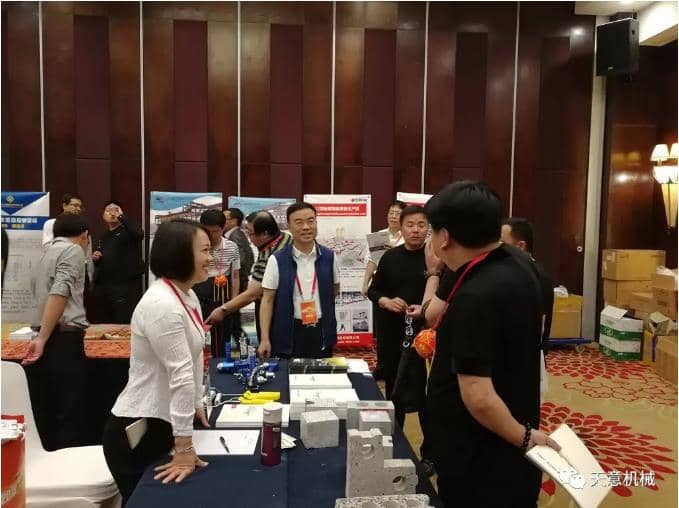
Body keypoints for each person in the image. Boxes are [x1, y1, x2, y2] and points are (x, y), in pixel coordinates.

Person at [422, 181, 559, 507]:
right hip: (514, 418)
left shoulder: (476, 295)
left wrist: (524, 438)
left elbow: (479, 396)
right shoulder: (519, 261)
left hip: (480, 450)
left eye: (431, 231)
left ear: (444, 237)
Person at [102, 220, 211, 505]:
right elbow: (181, 375)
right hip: (139, 430)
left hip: (165, 423)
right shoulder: (162, 304)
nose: (210, 258)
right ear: (180, 253)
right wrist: (184, 448)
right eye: (204, 250)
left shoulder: (187, 295)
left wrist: (196, 403)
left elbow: (195, 356)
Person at [366, 205, 433, 472]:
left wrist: (426, 310)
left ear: (428, 228)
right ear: (400, 228)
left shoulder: (436, 258)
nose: (416, 230)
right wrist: (385, 300)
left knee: (428, 397)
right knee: (395, 391)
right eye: (410, 225)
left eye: (421, 225)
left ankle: (430, 455)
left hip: (428, 336)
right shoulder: (390, 257)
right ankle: (394, 446)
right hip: (395, 336)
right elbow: (374, 290)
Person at [23, 213, 90, 450]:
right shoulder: (74, 250)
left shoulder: (44, 253)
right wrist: (43, 338)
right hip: (63, 336)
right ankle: (69, 459)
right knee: (69, 408)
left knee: (49, 407)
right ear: (84, 236)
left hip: (46, 333)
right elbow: (60, 292)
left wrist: (41, 335)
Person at [258, 202, 340, 358]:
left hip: (321, 329)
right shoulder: (277, 260)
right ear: (289, 226)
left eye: (310, 221)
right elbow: (267, 300)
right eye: (299, 222)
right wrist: (264, 338)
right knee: (288, 372)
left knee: (321, 371)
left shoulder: (329, 257)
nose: (306, 227)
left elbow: (334, 289)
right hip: (289, 330)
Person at [206, 211, 292, 340]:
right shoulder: (286, 238)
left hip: (277, 309)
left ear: (265, 234)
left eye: (250, 233)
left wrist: (223, 309)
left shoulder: (270, 256)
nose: (249, 237)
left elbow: (253, 293)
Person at [362, 200, 406, 381]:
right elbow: (372, 261)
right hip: (381, 287)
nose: (393, 216)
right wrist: (365, 283)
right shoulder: (379, 236)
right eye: (391, 213)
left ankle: (402, 367)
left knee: (402, 329)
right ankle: (382, 366)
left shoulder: (408, 236)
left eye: (397, 213)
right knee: (382, 329)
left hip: (402, 286)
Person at [501, 217, 554, 352]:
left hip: (527, 354)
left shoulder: (537, 276)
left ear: (520, 246)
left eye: (502, 244)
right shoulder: (512, 271)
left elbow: (538, 327)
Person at [195, 209, 240, 358]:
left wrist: (233, 303)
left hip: (222, 292)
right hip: (199, 292)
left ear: (223, 228)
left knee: (222, 335)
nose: (212, 236)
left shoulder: (232, 247)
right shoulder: (195, 246)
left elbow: (235, 276)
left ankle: (220, 363)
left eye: (216, 231)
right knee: (197, 333)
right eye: (207, 231)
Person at [92, 200, 145, 324]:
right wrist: (97, 257)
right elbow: (104, 258)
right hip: (108, 287)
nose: (112, 213)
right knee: (109, 322)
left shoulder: (128, 231)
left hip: (126, 287)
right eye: (108, 210)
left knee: (124, 322)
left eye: (115, 210)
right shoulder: (103, 236)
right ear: (103, 215)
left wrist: (121, 217)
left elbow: (139, 234)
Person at [42, 192, 94, 290]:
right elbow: (47, 247)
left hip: (80, 270)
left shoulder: (83, 226)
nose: (78, 209)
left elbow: (88, 253)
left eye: (80, 207)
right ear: (64, 206)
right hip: (59, 268)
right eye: (75, 205)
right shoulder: (52, 223)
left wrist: (90, 275)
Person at [223, 207, 255, 342]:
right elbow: (250, 257)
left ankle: (243, 345)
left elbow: (241, 260)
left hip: (234, 284)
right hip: (238, 282)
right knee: (233, 319)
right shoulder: (237, 234)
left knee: (232, 318)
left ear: (234, 221)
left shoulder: (235, 236)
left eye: (224, 219)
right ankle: (243, 345)